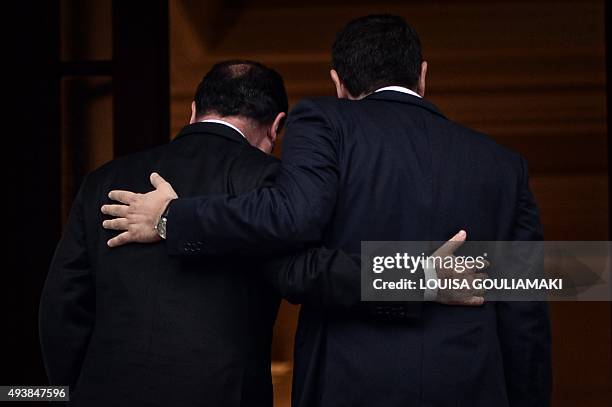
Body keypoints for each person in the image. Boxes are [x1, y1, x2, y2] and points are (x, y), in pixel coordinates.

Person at [102, 15, 551, 406]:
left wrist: (173, 218)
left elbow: (292, 241)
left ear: (338, 83)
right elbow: (525, 311)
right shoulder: (504, 166)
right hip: (472, 388)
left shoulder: (325, 123)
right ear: (423, 76)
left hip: (350, 384)